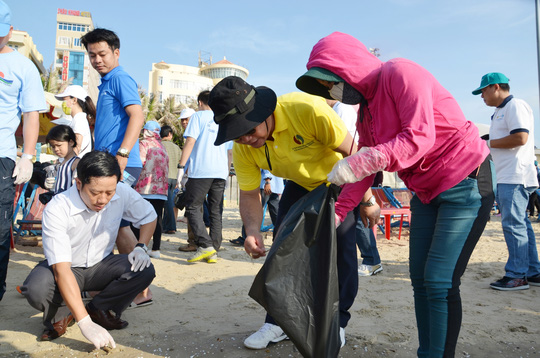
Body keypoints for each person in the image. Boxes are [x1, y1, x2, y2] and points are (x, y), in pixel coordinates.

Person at [295, 32, 494, 357]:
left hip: (466, 180)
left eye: (333, 82)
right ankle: (427, 352)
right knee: (419, 278)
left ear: (350, 67)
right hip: (426, 192)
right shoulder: (366, 112)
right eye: (328, 88)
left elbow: (418, 138)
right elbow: (364, 173)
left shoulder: (401, 73)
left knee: (440, 281)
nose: (333, 91)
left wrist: (362, 159)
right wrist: (338, 212)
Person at [208, 76, 379, 350]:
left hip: (339, 180)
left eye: (249, 130)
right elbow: (250, 193)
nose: (246, 139)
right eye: (237, 134)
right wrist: (251, 232)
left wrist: (367, 199)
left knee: (342, 254)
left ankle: (338, 323)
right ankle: (278, 322)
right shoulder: (244, 145)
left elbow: (354, 152)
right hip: (299, 185)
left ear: (264, 113)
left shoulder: (307, 109)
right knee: (282, 249)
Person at [20, 150, 156, 349]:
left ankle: (99, 308)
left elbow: (149, 216)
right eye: (95, 192)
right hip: (67, 267)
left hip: (101, 265)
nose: (102, 199)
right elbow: (61, 270)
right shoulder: (58, 207)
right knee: (36, 288)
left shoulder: (122, 191)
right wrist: (85, 324)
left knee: (144, 268)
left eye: (109, 193)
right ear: (78, 183)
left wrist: (141, 247)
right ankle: (65, 313)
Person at [80, 28, 145, 271]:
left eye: (103, 54)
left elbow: (137, 116)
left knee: (118, 223)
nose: (97, 60)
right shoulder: (106, 82)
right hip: (109, 163)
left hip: (122, 164)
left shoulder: (119, 78)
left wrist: (123, 154)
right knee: (116, 222)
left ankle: (140, 287)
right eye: (92, 55)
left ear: (116, 53)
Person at [472, 72, 540, 291]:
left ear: (496, 87)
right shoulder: (499, 112)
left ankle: (517, 275)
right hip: (508, 175)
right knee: (521, 224)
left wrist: (488, 143)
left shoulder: (515, 105)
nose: (481, 95)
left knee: (513, 225)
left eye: (483, 90)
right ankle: (532, 271)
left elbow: (521, 137)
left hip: (515, 175)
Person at [0, 0, 46, 301]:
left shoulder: (22, 66)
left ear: (10, 31)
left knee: (1, 228)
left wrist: (27, 156)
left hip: (2, 155)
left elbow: (31, 114)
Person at [327, 99, 383, 277]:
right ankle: (371, 260)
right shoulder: (349, 108)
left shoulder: (342, 108)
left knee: (359, 218)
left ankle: (372, 261)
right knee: (358, 217)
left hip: (354, 172)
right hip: (355, 170)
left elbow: (349, 147)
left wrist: (367, 200)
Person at [177, 91, 232, 263]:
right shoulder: (224, 118)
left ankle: (205, 245)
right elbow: (230, 151)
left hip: (201, 170)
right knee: (216, 211)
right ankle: (213, 248)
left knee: (193, 207)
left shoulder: (198, 116)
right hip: (221, 171)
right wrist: (227, 172)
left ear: (200, 102)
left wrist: (181, 167)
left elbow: (190, 141)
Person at [132, 121, 169, 259]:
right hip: (161, 190)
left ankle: (138, 244)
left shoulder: (143, 144)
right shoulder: (162, 147)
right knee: (157, 218)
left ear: (146, 131)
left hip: (145, 187)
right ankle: (156, 248)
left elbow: (140, 163)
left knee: (138, 218)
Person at [229, 169, 284, 247]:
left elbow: (266, 166)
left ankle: (245, 237)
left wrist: (267, 181)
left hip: (266, 185)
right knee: (276, 214)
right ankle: (281, 239)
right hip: (276, 186)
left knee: (252, 211)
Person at [54, 85, 95, 157]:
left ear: (74, 100)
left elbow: (77, 147)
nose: (63, 104)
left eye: (65, 100)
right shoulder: (78, 119)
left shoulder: (79, 120)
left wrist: (67, 163)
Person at [44, 125, 80, 194]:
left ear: (71, 142)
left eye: (59, 145)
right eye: (53, 146)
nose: (56, 149)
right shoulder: (62, 163)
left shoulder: (75, 163)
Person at [160, 125, 182, 234]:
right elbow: (181, 163)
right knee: (170, 202)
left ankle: (170, 226)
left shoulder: (159, 146)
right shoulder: (176, 147)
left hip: (164, 177)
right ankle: (166, 226)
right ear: (170, 134)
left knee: (165, 203)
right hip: (174, 178)